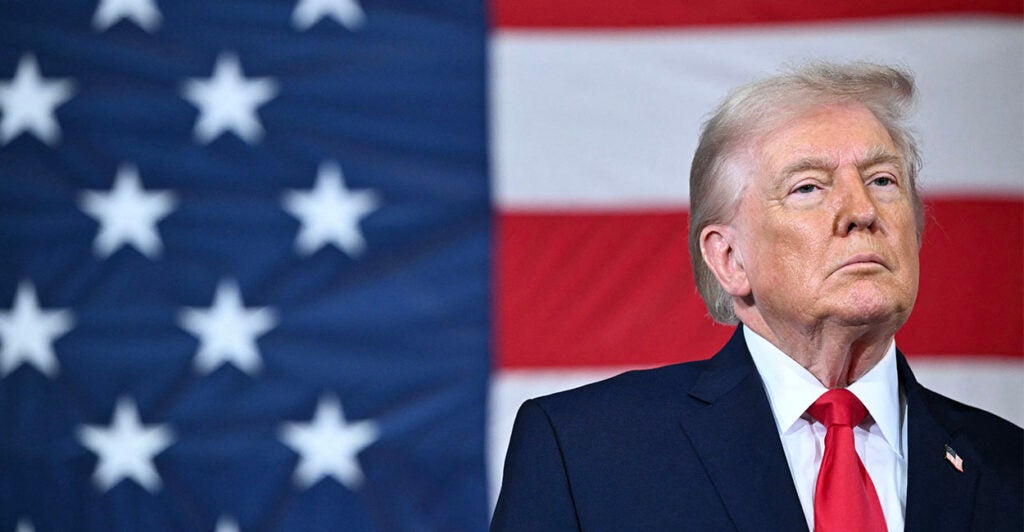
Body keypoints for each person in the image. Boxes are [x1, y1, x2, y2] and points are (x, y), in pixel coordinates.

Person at [490, 62, 1023, 531]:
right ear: (729, 259)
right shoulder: (586, 451)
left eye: (882, 180)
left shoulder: (1009, 465)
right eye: (808, 187)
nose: (862, 211)